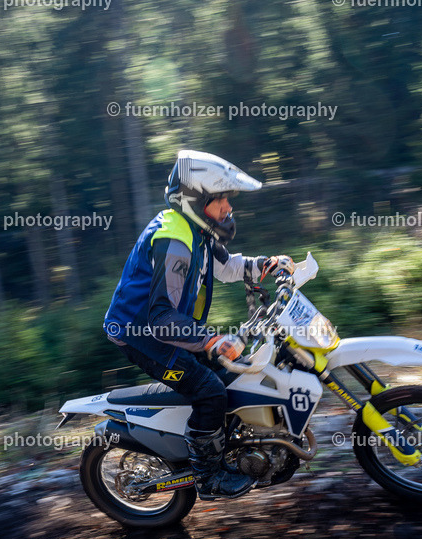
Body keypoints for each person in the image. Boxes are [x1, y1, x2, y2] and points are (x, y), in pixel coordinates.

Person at [104, 149, 294, 500]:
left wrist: (267, 264)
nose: (228, 207)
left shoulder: (197, 230)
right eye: (220, 199)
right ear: (195, 200)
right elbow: (161, 318)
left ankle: (226, 447)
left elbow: (226, 268)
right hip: (140, 333)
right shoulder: (175, 240)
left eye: (227, 198)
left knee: (229, 375)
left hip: (170, 325)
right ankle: (208, 476)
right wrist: (211, 340)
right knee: (209, 389)